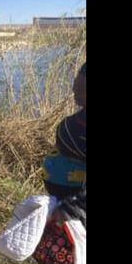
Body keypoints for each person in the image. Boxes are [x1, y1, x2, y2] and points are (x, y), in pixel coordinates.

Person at [41, 62, 86, 201]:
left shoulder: (70, 127)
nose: (73, 89)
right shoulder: (68, 126)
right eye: (75, 83)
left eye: (79, 85)